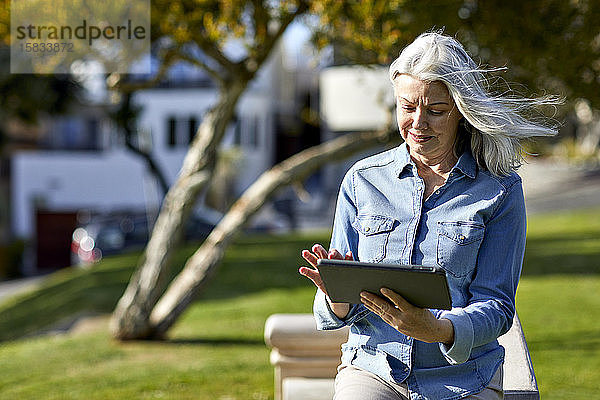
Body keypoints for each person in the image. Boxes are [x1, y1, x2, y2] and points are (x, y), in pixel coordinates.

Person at [299, 31, 560, 400]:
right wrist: (335, 296)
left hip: (464, 378)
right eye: (407, 107)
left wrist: (438, 329)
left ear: (461, 112)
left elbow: (497, 306)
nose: (419, 123)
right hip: (374, 370)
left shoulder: (500, 191)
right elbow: (338, 310)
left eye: (436, 111)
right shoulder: (362, 181)